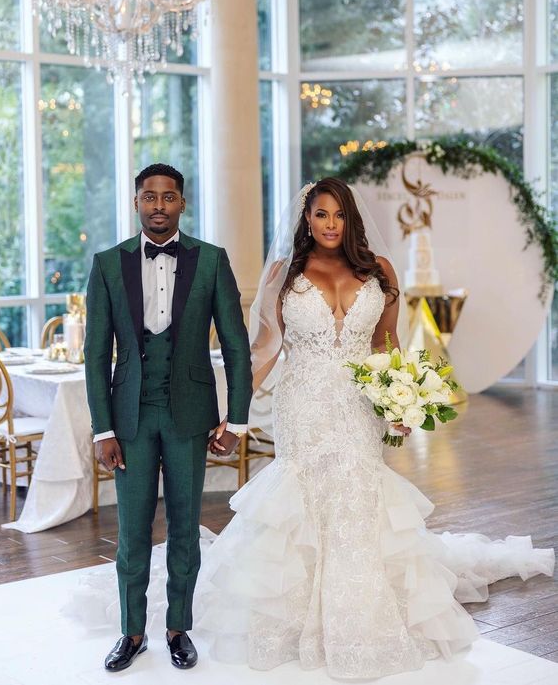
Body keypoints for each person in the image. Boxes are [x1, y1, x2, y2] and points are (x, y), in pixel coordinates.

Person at [191, 177, 555, 680]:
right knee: (304, 494)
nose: (331, 225)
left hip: (358, 404)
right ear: (306, 219)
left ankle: (360, 616)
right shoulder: (283, 273)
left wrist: (397, 404)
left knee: (359, 497)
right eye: (320, 215)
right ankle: (293, 618)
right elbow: (264, 351)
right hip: (305, 403)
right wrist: (234, 417)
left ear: (352, 219)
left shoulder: (379, 271)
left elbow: (387, 345)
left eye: (339, 215)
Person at [84, 163, 252, 672]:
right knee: (132, 531)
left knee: (184, 526)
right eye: (150, 197)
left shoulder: (212, 261)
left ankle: (179, 628)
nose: (159, 205)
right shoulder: (108, 264)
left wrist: (236, 418)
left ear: (183, 202)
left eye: (169, 197)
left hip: (190, 415)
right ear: (136, 202)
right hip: (130, 417)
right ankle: (131, 633)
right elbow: (95, 354)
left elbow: (236, 344)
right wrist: (103, 428)